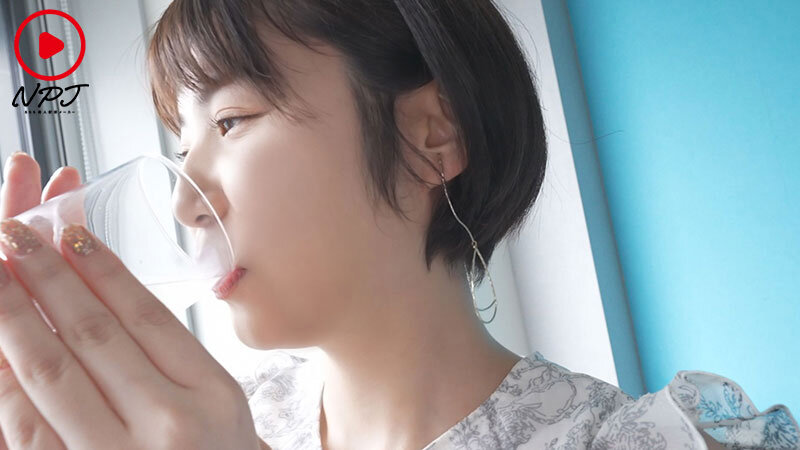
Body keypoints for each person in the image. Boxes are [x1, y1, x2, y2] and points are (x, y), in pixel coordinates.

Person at [0, 0, 795, 449]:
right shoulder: (197, 426)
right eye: (182, 146)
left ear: (432, 137)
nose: (184, 203)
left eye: (231, 121)